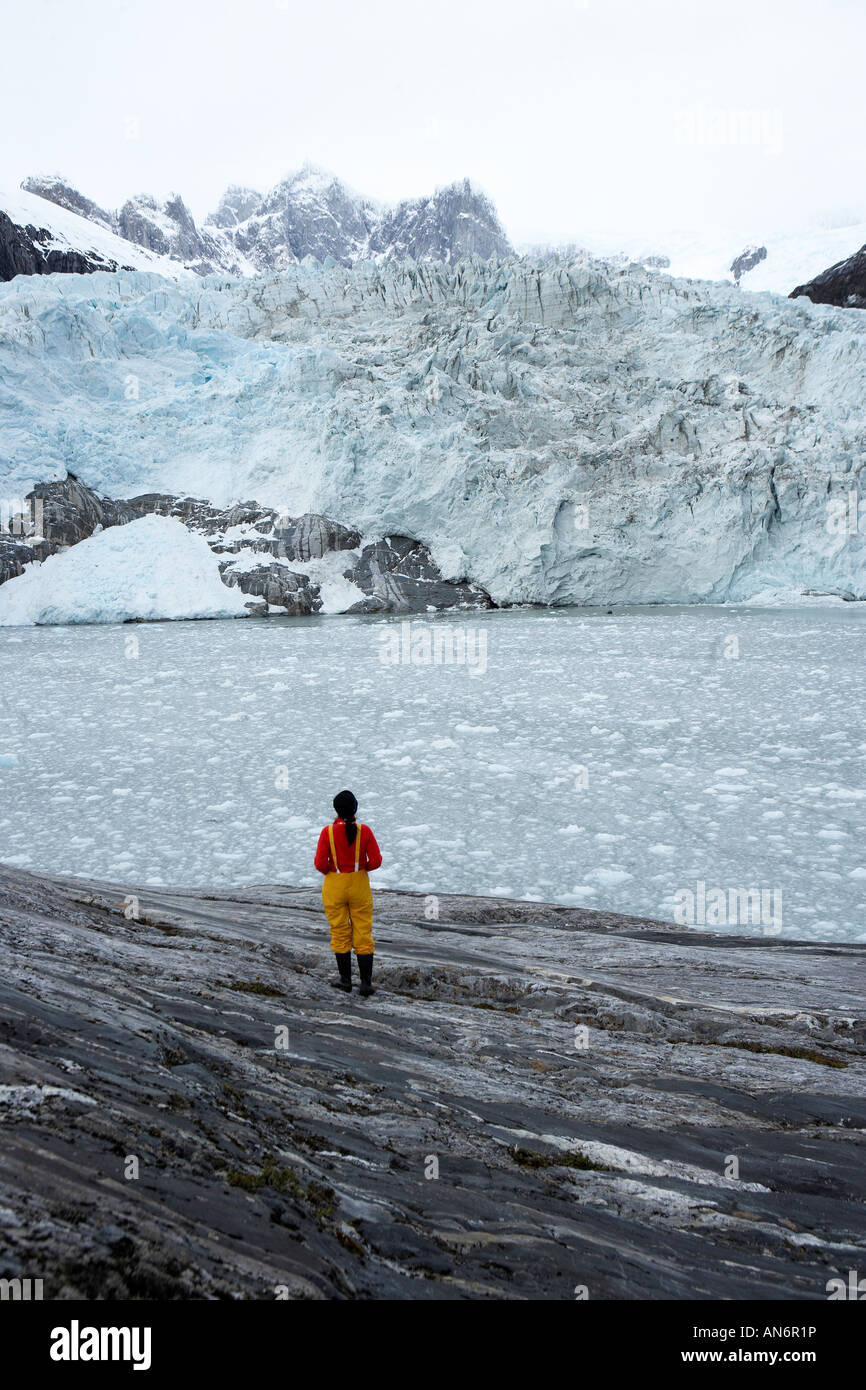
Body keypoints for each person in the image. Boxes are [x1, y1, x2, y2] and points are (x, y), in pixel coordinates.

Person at [314, 790, 382, 996]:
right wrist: (362, 869)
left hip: (335, 883)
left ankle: (345, 980)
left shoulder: (328, 832)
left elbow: (319, 864)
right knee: (363, 930)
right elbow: (377, 861)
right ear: (355, 808)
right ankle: (365, 983)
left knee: (339, 929)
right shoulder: (365, 831)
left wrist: (332, 872)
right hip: (358, 882)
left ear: (336, 810)